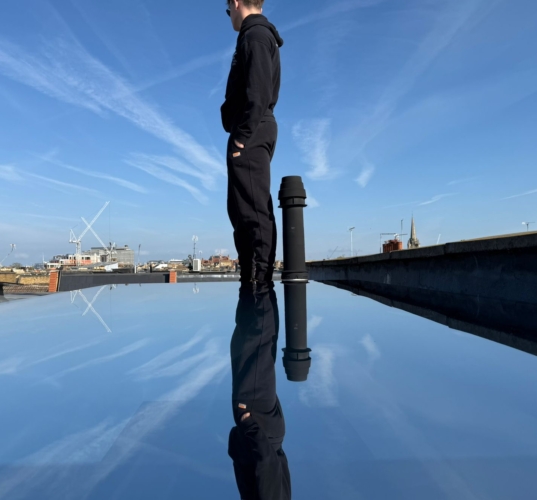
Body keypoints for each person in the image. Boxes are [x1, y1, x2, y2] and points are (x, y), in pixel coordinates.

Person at [222, 0, 283, 283]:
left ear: (235, 3)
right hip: (253, 128)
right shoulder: (254, 35)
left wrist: (241, 139)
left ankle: (259, 286)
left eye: (227, 10)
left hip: (252, 130)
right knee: (242, 208)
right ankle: (252, 279)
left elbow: (257, 94)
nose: (229, 16)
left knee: (252, 210)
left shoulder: (255, 36)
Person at [228, 281, 291, 500]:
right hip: (258, 427)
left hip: (264, 431)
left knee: (247, 340)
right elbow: (267, 465)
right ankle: (258, 263)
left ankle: (253, 272)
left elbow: (276, 463)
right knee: (257, 335)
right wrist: (249, 427)